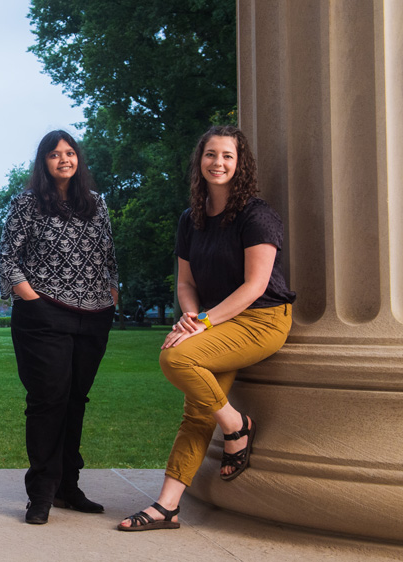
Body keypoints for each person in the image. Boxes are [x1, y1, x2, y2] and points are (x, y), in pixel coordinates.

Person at [118, 125, 295, 532]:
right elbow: (185, 283)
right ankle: (168, 506)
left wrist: (202, 322)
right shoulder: (191, 219)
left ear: (240, 163)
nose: (218, 162)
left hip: (262, 318)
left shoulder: (256, 214)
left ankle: (236, 427)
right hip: (215, 319)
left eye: (228, 156)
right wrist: (190, 315)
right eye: (211, 154)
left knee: (175, 356)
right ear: (199, 162)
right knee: (197, 411)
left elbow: (254, 287)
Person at [0, 130, 119, 525]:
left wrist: (112, 293)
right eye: (54, 154)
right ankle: (42, 493)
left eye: (69, 153)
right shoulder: (27, 203)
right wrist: (31, 298)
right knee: (48, 401)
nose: (64, 159)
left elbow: (108, 255)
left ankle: (69, 487)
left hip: (94, 316)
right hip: (43, 315)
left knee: (75, 401)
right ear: (43, 162)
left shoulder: (97, 204)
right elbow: (7, 257)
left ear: (78, 159)